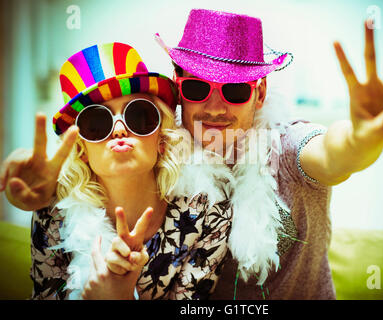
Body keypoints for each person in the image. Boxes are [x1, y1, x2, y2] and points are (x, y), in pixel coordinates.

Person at [154, 9, 383, 299]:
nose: (215, 108)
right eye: (197, 88)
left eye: (235, 90)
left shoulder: (287, 148)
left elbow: (332, 155)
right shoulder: (161, 160)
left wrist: (359, 139)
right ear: (178, 89)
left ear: (260, 93)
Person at [0, 42, 232, 300]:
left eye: (139, 116)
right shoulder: (54, 212)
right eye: (97, 123)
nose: (120, 129)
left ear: (162, 140)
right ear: (82, 151)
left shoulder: (206, 211)